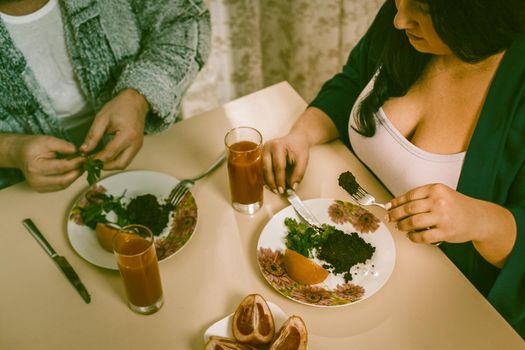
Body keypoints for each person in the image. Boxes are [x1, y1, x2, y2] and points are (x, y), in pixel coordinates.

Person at [262, 0, 525, 338]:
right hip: (350, 282)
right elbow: (353, 82)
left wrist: (476, 219)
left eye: (420, 9)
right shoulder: (403, 19)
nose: (399, 21)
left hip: (434, 317)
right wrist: (300, 135)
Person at [0, 0, 211, 192]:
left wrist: (139, 96)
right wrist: (10, 150)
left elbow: (185, 20)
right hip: (19, 191)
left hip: (154, 151)